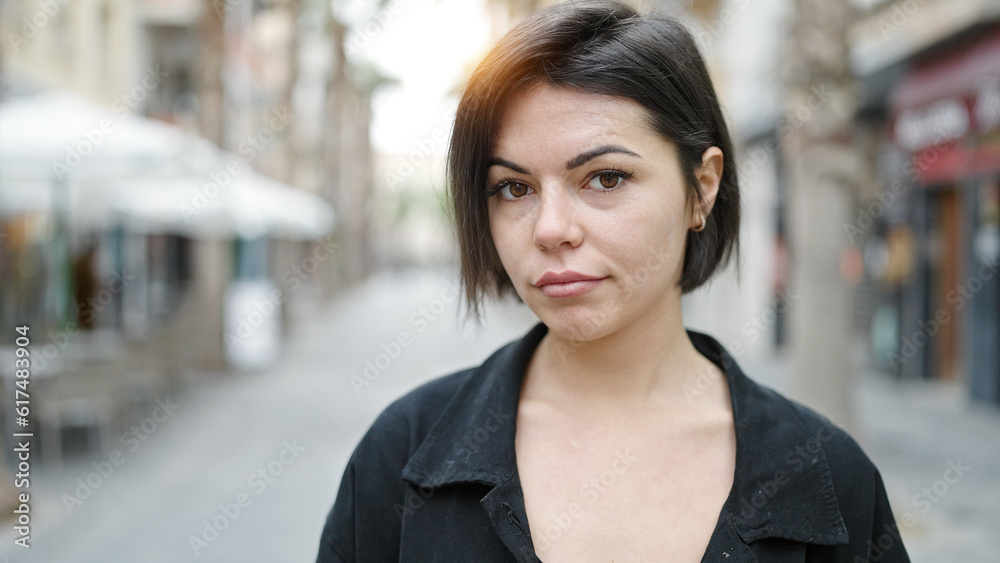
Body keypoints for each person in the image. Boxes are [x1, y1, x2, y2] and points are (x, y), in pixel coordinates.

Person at [316, 1, 911, 561]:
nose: (550, 229)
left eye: (605, 178)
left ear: (702, 187)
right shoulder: (403, 455)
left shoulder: (829, 477)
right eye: (513, 188)